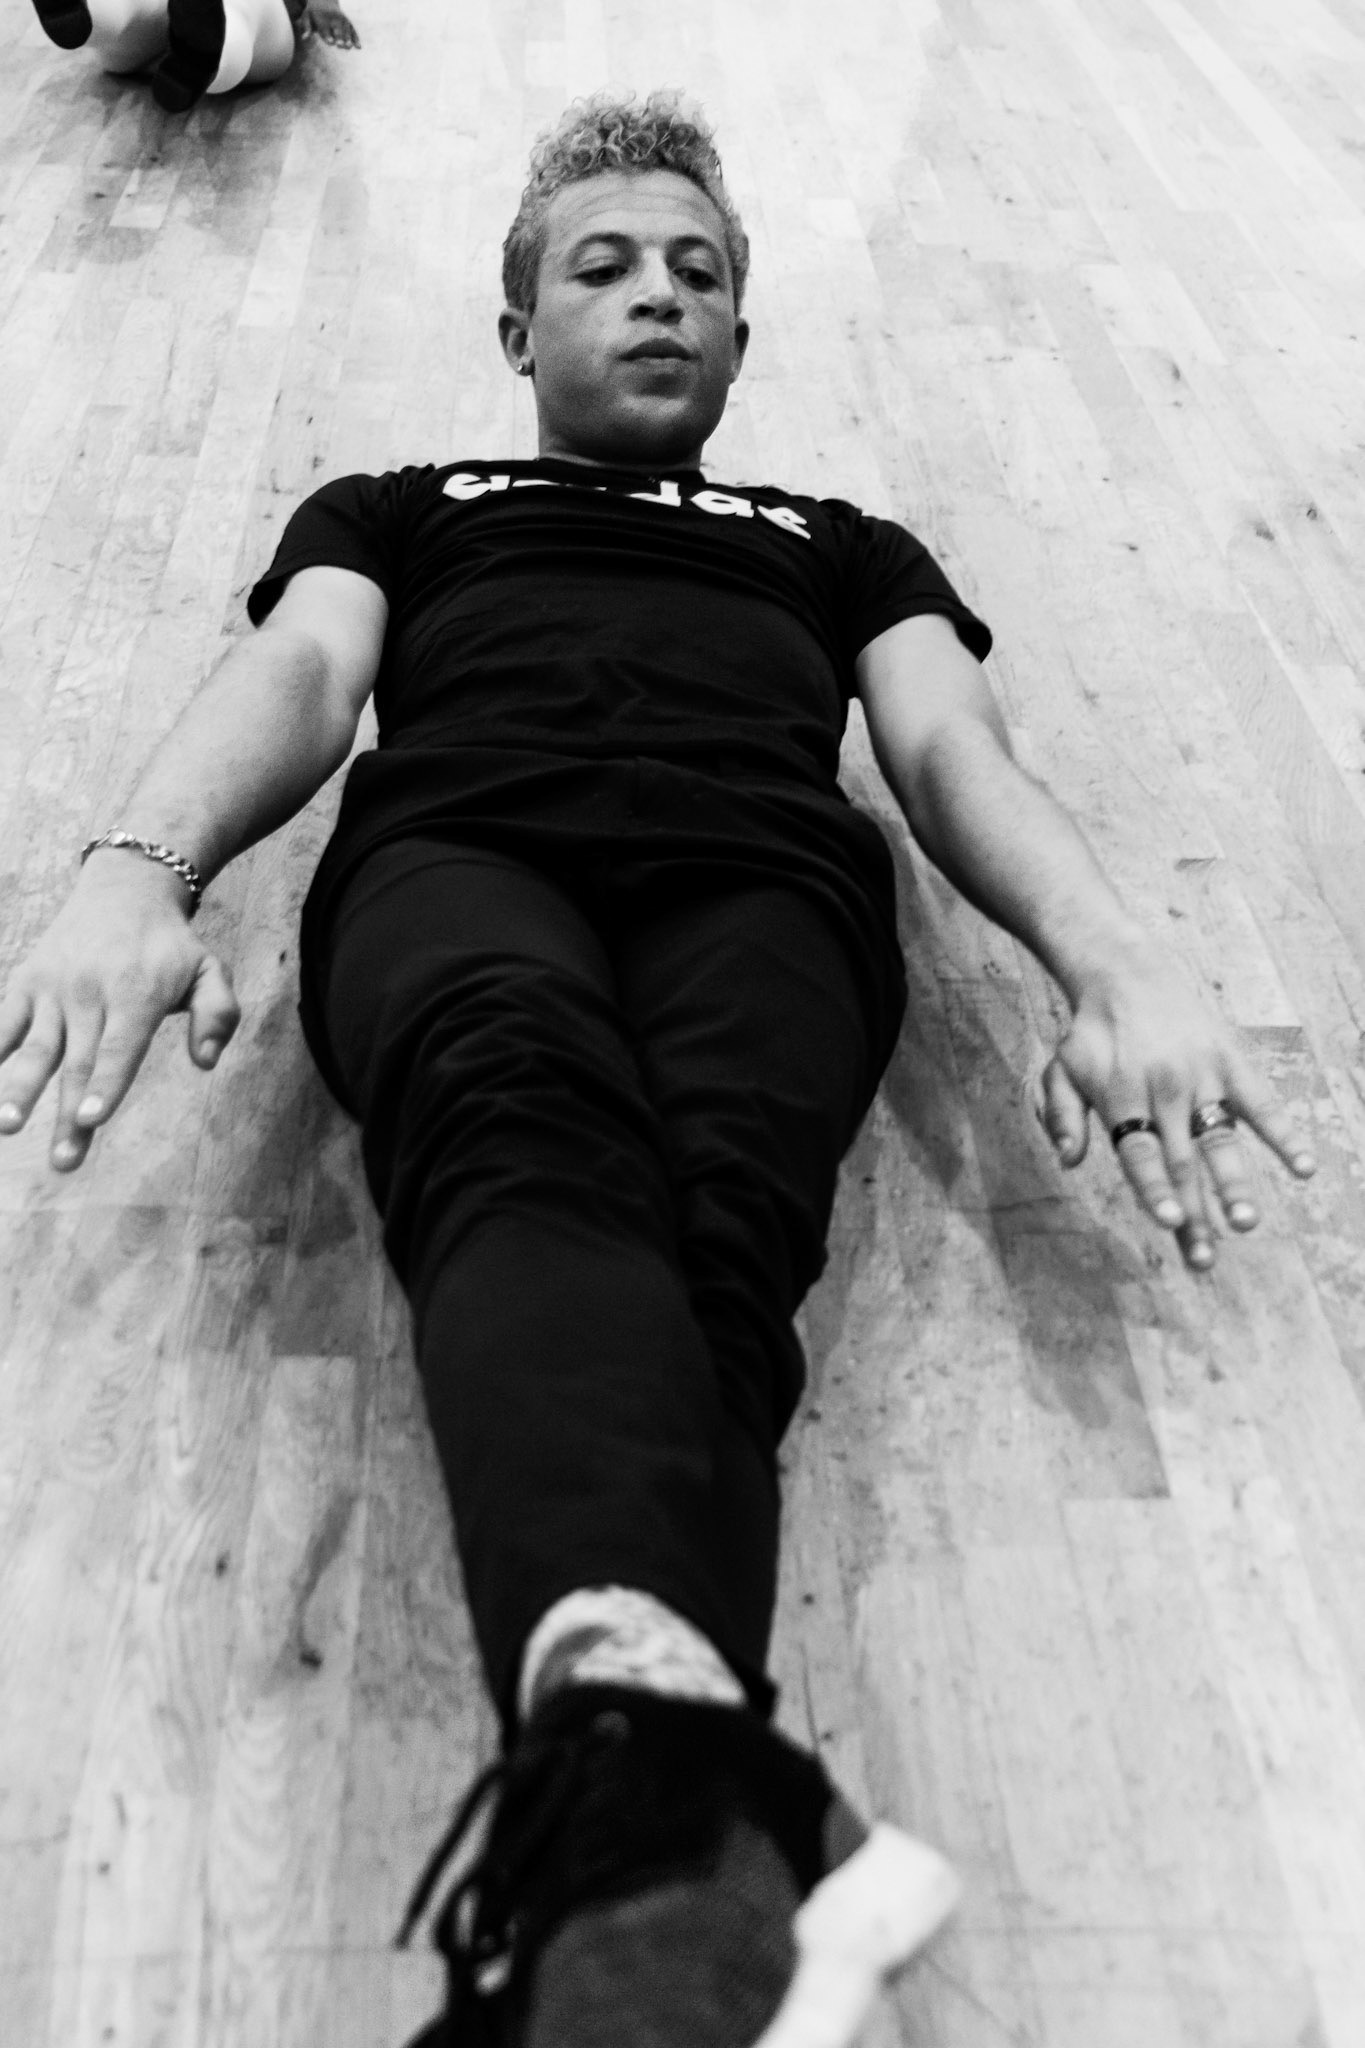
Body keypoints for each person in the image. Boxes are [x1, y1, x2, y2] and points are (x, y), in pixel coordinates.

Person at [0, 93, 1317, 2048]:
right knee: (512, 1114)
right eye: (603, 266)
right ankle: (672, 1853)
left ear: (741, 338)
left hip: (763, 884)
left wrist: (1113, 957)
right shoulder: (402, 505)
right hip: (467, 852)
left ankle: (669, 1901)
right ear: (516, 327)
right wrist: (139, 868)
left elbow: (949, 752)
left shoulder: (837, 545)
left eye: (698, 273)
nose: (658, 297)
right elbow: (302, 673)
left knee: (716, 1259)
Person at [29, 0, 358, 114]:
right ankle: (201, 56)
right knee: (242, 14)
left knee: (130, 12)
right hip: (254, 38)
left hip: (137, 52)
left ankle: (94, 15)